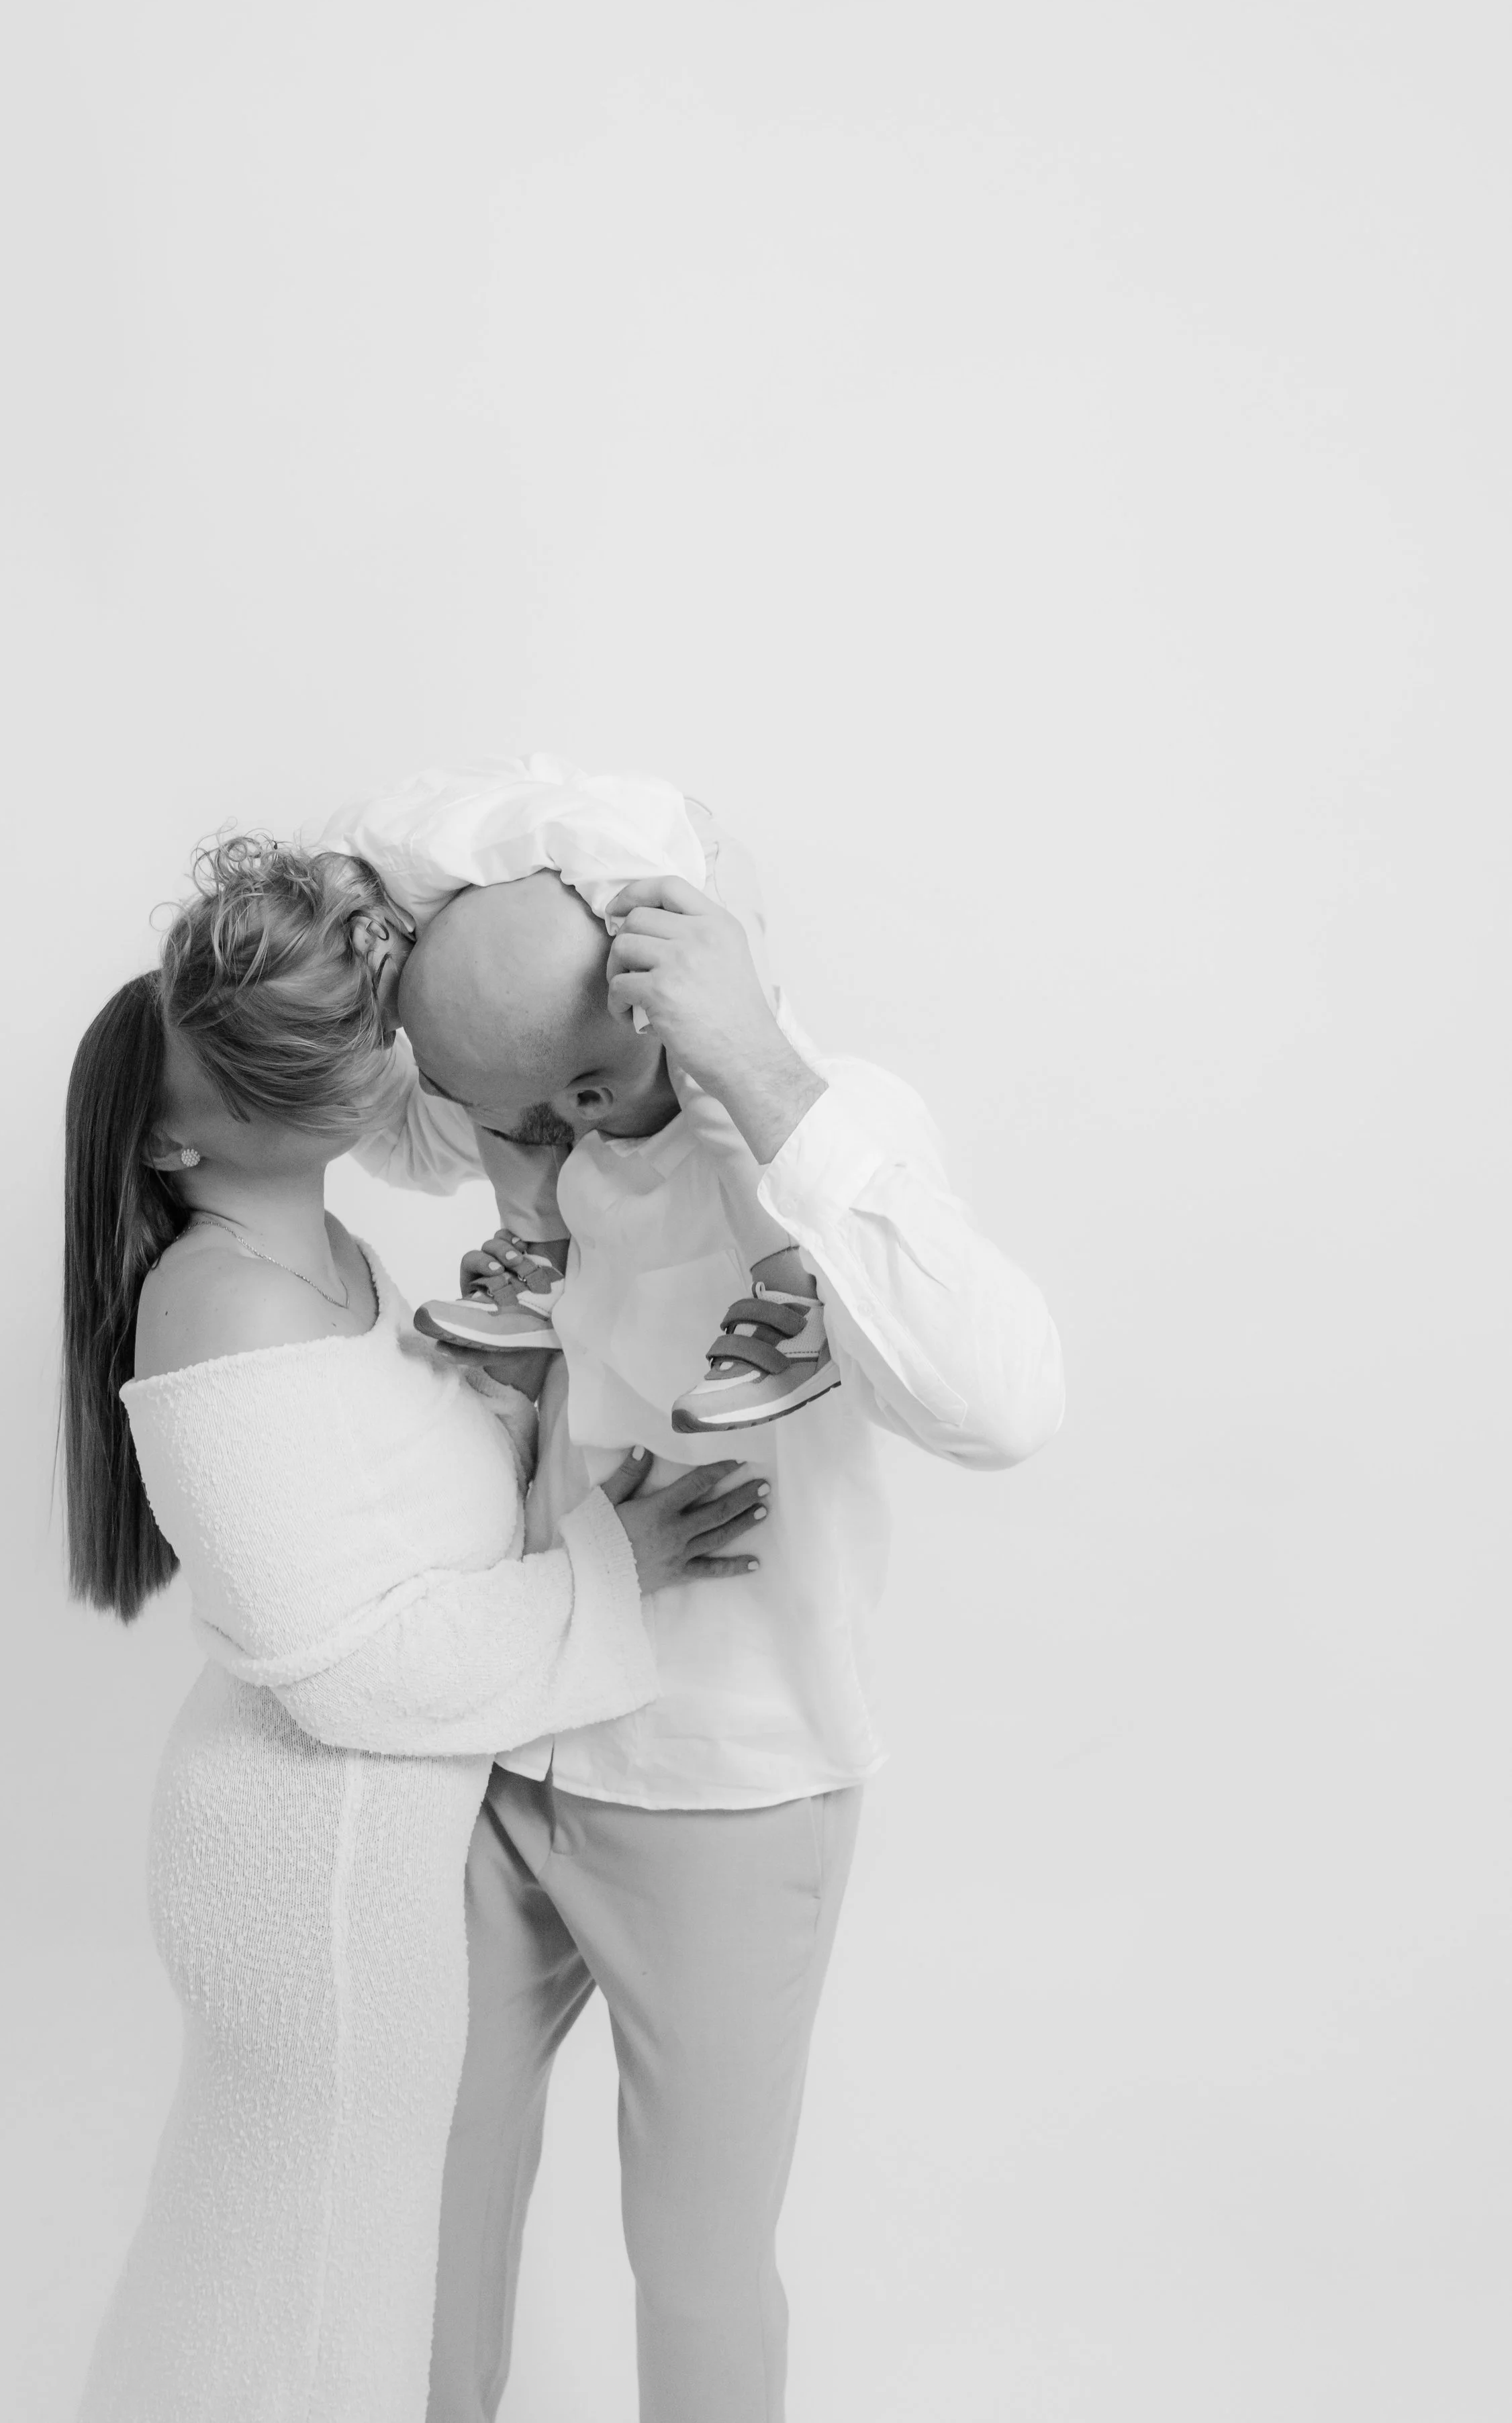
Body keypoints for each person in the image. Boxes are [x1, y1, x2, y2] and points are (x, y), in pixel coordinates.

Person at [334, 760, 1067, 2423]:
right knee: (417, 2202)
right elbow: (359, 1064)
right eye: (510, 1115)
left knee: (695, 2261)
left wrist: (754, 1054)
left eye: (586, 1090)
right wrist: (417, 955)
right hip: (508, 1745)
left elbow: (1006, 1403)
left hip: (724, 1789)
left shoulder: (825, 1117)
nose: (543, 1143)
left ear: (665, 992)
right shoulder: (531, 1103)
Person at [61, 833, 773, 2423]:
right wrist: (607, 1567)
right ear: (168, 1139)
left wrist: (507, 1394)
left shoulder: (330, 1257)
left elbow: (391, 1512)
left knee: (328, 2265)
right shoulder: (223, 1298)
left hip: (374, 1835)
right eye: (229, 1057)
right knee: (310, 2269)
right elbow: (338, 1663)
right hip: (306, 1852)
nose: (293, 1056)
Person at [326, 759, 837, 1431]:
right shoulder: (397, 911)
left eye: (368, 1015)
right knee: (484, 1070)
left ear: (373, 934)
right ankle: (539, 1266)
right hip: (559, 895)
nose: (385, 1038)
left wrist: (659, 976)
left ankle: (791, 1297)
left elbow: (600, 852)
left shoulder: (426, 849)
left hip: (677, 866)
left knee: (717, 1076)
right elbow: (425, 1121)